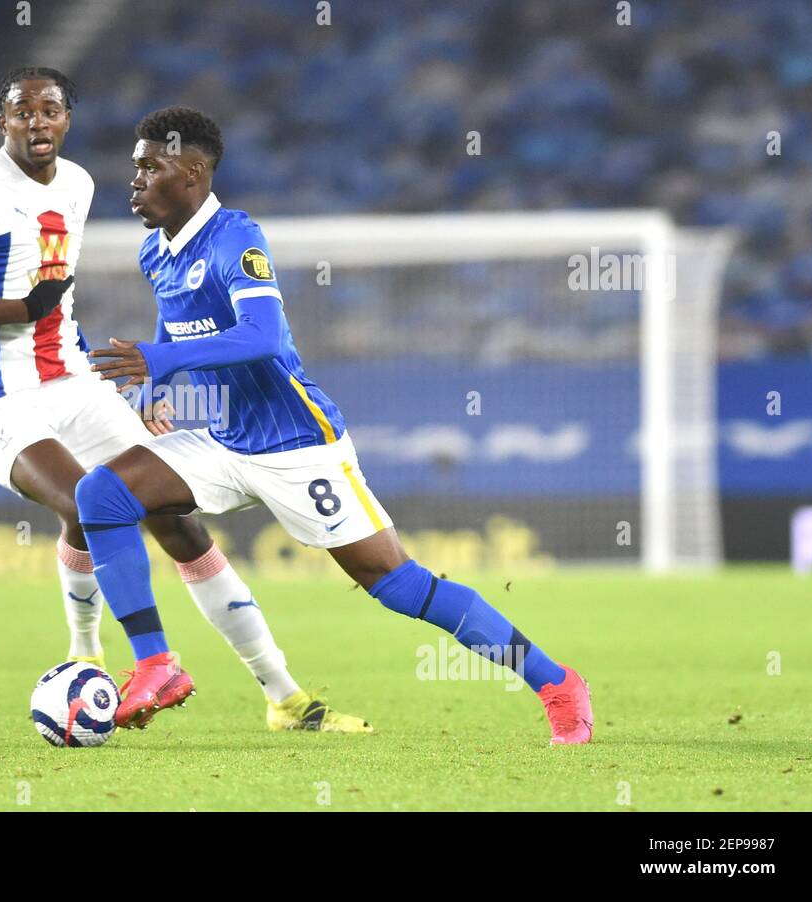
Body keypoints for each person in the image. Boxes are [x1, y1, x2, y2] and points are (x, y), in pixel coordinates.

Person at [77, 105, 594, 743]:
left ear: (192, 173)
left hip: (297, 444)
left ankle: (556, 683)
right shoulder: (157, 251)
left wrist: (160, 358)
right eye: (134, 168)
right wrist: (154, 383)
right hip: (222, 438)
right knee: (101, 492)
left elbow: (263, 337)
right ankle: (155, 665)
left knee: (397, 583)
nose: (133, 181)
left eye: (148, 167)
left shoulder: (237, 239)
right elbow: (175, 323)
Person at [0, 69, 368, 733]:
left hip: (72, 379)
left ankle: (285, 697)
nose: (37, 122)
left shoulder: (80, 185)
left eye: (51, 110)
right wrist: (17, 310)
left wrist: (127, 381)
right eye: (21, 111)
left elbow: (56, 297)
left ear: (68, 119)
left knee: (179, 523)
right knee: (89, 501)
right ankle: (103, 655)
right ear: (0, 121)